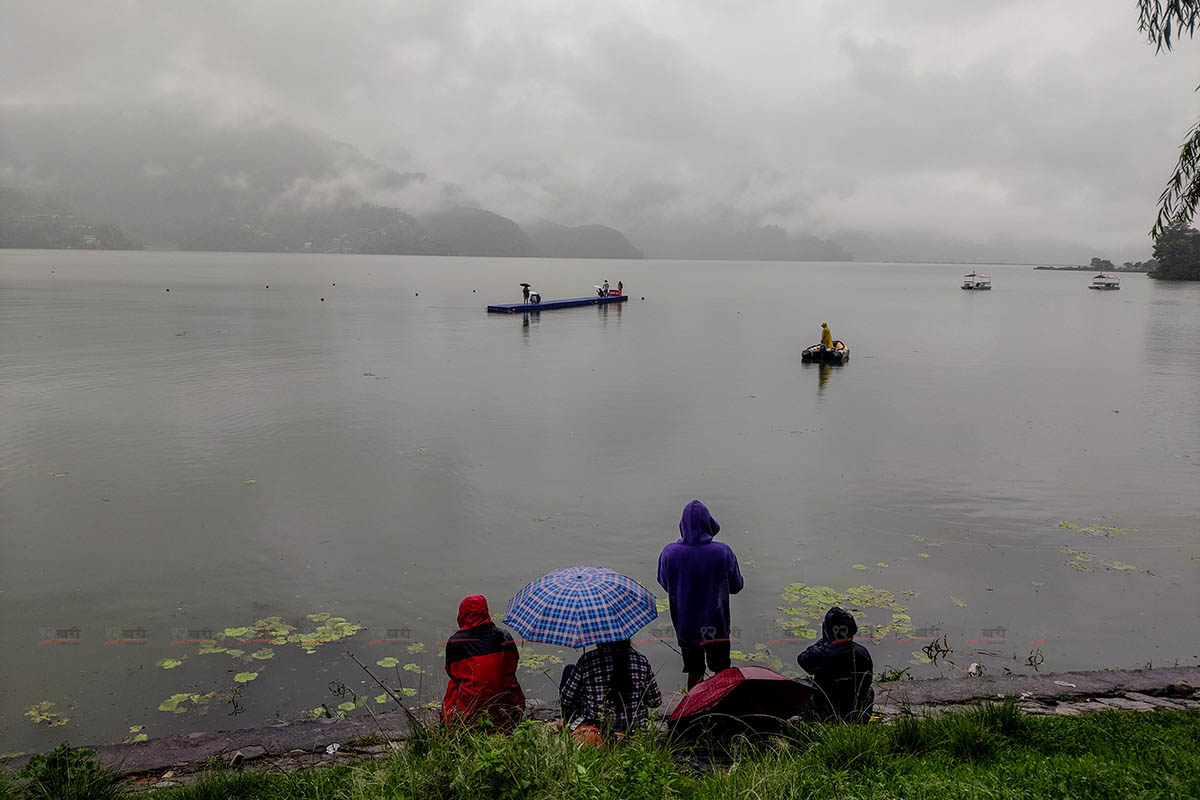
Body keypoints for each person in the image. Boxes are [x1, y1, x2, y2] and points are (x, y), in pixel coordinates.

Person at [658, 500, 744, 689]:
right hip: (717, 626)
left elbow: (666, 584)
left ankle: (694, 712)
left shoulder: (669, 553)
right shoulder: (723, 552)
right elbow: (736, 586)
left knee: (694, 671)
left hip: (686, 626)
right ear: (708, 522)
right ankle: (721, 712)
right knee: (721, 670)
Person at [442, 595, 525, 731]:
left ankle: (455, 725)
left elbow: (451, 671)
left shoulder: (457, 642)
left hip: (471, 713)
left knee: (454, 686)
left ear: (462, 614)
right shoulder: (504, 636)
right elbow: (512, 664)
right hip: (507, 707)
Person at [559, 639, 661, 737]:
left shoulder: (587, 660)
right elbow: (655, 701)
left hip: (598, 731)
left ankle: (567, 726)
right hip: (634, 730)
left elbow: (567, 700)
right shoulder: (641, 660)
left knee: (569, 669)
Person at [797, 607, 874, 722]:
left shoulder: (819, 653)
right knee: (870, 690)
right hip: (854, 709)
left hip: (826, 711)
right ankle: (860, 720)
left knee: (800, 683)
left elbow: (802, 660)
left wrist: (824, 641)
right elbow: (867, 681)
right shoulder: (862, 652)